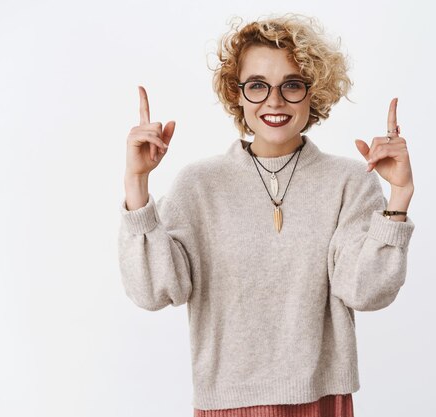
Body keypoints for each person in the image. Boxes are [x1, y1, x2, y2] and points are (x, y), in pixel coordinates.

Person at [118, 13, 415, 416]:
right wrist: (136, 185)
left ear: (315, 92)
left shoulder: (349, 180)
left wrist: (398, 196)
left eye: (291, 85)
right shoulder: (199, 184)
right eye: (257, 86)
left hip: (321, 399)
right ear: (237, 93)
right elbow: (154, 291)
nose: (274, 102)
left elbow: (366, 291)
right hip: (229, 401)